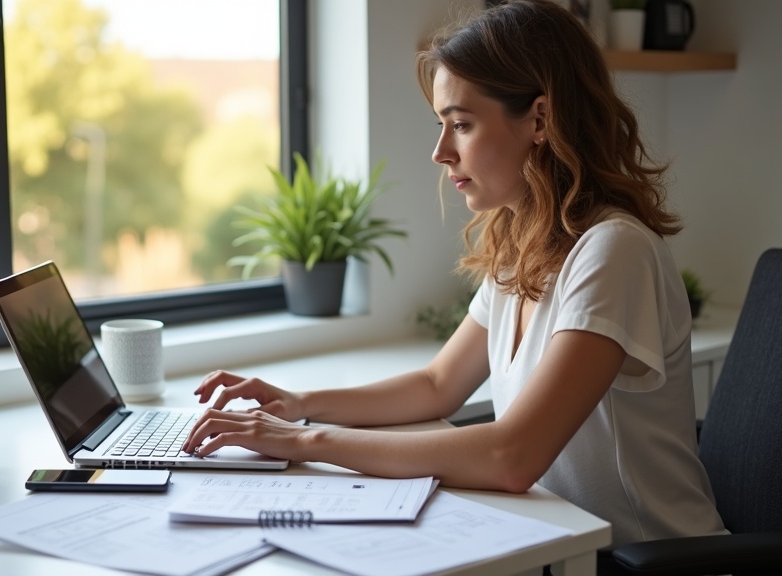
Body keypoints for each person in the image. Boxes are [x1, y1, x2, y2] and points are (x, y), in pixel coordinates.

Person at [182, 0, 727, 550]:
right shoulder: (524, 245)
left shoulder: (614, 251)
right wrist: (297, 405)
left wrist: (306, 442)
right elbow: (437, 386)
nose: (441, 152)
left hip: (646, 559)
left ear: (540, 119)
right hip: (565, 544)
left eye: (461, 124)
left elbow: (512, 457)